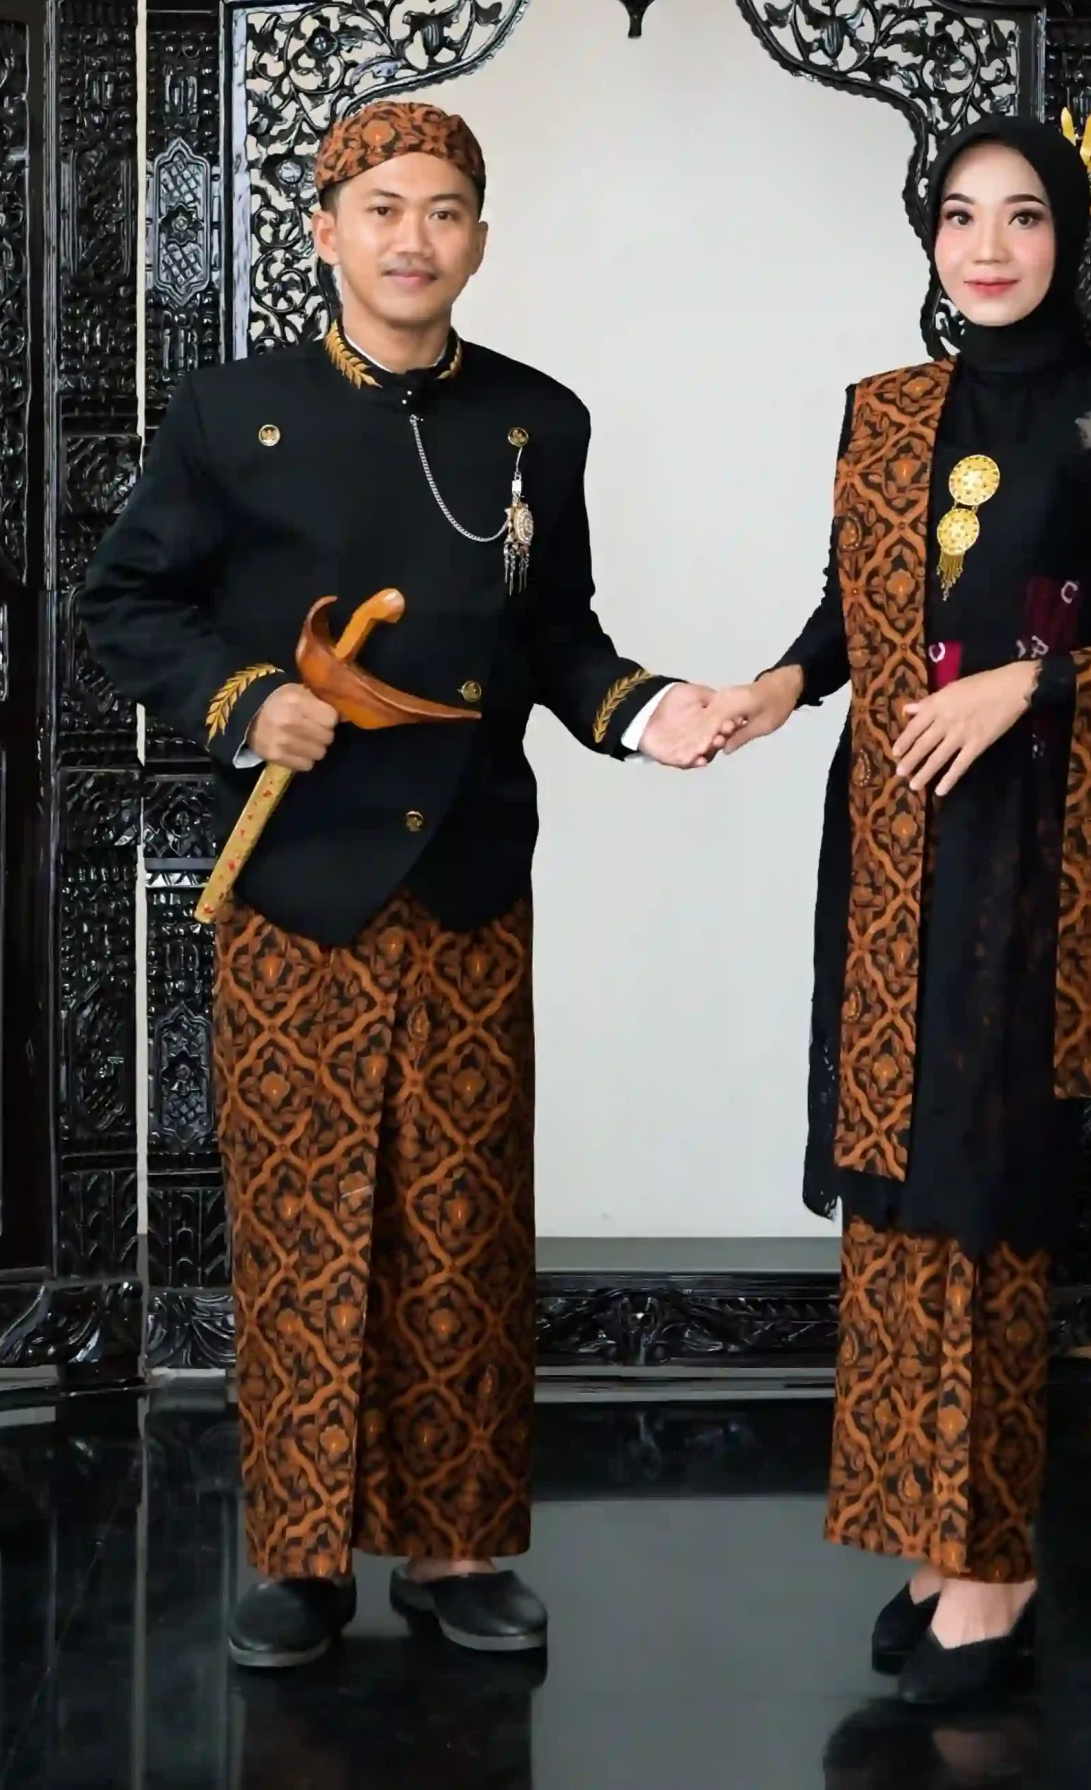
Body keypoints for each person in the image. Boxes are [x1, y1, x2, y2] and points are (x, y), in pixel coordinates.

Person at [80, 100, 721, 1671]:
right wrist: (243, 702)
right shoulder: (234, 413)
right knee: (301, 1226)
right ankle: (300, 1560)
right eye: (380, 208)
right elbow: (126, 603)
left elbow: (556, 637)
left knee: (464, 1225)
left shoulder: (537, 421)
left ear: (480, 240)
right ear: (324, 231)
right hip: (297, 890)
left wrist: (642, 711)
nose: (411, 238)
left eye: (443, 210)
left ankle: (456, 1549)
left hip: (465, 881)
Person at [706, 113, 1091, 1709]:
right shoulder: (884, 411)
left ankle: (995, 1571)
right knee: (898, 1176)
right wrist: (774, 689)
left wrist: (1029, 684)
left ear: (1070, 234)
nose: (987, 247)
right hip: (887, 829)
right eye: (958, 216)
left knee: (989, 1176)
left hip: (1031, 836)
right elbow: (851, 614)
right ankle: (931, 1540)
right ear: (925, 236)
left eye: (1023, 217)